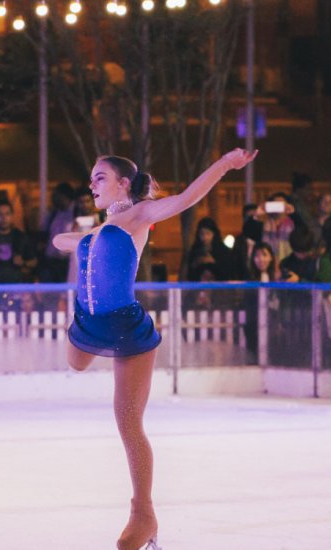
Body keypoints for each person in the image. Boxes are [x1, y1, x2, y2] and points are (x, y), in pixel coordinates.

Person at [52, 148, 257, 550]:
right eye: (91, 178)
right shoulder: (101, 228)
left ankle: (143, 514)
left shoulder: (138, 216)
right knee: (75, 363)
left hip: (127, 328)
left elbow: (185, 200)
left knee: (128, 422)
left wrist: (224, 164)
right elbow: (61, 240)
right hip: (89, 322)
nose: (91, 184)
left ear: (123, 184)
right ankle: (144, 517)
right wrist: (81, 237)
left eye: (100, 177)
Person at [39, 182, 77, 283]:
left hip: (66, 262)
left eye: (57, 195)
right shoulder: (53, 213)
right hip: (50, 261)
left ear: (65, 196)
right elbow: (45, 232)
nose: (53, 199)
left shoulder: (76, 213)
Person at [186, 217, 233, 281]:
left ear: (214, 234)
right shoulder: (195, 250)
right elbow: (190, 276)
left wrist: (212, 262)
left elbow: (227, 275)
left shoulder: (223, 251)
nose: (205, 237)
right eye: (202, 234)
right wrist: (197, 263)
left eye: (208, 233)